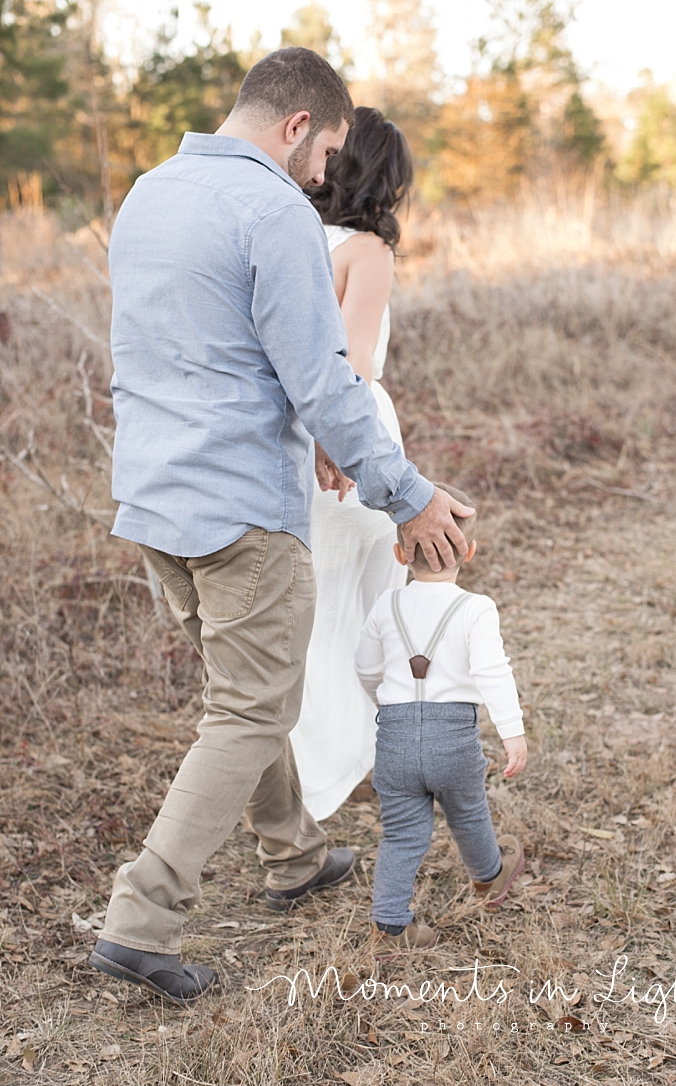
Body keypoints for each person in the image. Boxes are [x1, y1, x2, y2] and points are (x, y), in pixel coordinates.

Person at [88, 47, 474, 1005]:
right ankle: (141, 921)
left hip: (149, 500)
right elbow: (325, 383)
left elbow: (154, 353)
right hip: (241, 512)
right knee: (250, 709)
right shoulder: (274, 211)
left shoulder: (147, 193)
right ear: (299, 124)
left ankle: (295, 855)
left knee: (241, 693)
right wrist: (411, 494)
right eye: (328, 150)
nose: (325, 176)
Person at [290, 107, 413, 820]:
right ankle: (343, 772)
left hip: (290, 442)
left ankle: (313, 777)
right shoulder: (366, 251)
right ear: (386, 179)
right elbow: (355, 363)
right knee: (363, 616)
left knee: (312, 617)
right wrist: (346, 446)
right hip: (348, 440)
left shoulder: (293, 234)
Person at [354, 483, 528, 961]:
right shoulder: (476, 608)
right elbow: (493, 671)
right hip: (454, 740)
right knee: (468, 811)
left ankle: (389, 925)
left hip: (394, 738)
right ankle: (488, 875)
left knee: (402, 833)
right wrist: (512, 731)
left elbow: (366, 667)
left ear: (398, 553)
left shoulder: (385, 605)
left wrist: (385, 704)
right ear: (469, 551)